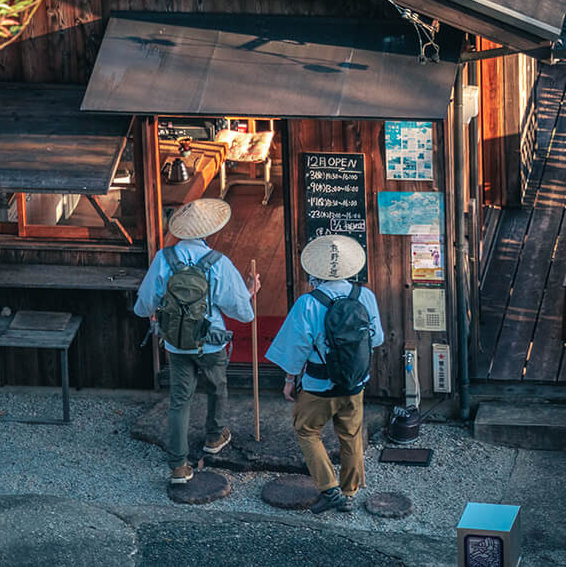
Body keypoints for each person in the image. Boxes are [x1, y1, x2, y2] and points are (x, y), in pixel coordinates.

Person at [133, 197, 257, 486]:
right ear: (209, 230)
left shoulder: (164, 258)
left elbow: (144, 304)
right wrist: (250, 290)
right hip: (211, 341)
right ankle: (214, 437)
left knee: (179, 400)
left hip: (176, 342)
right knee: (217, 387)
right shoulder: (219, 263)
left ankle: (178, 466)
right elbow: (242, 312)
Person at [265, 234, 385, 515]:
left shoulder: (308, 303)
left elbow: (296, 347)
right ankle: (349, 491)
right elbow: (377, 338)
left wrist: (289, 380)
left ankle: (329, 489)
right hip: (355, 383)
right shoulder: (364, 296)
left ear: (315, 269)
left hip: (319, 384)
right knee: (351, 434)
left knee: (307, 430)